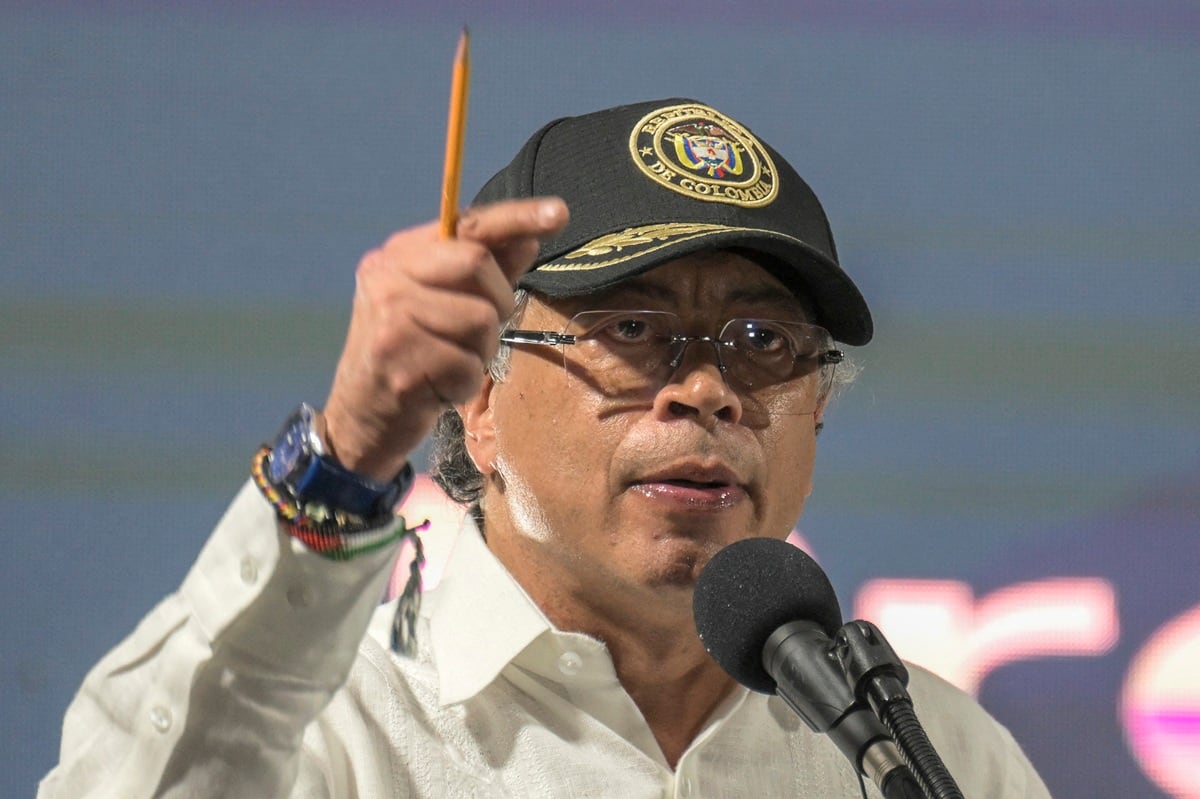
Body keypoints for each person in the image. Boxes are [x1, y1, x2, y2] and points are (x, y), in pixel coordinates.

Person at [40, 98, 1051, 797]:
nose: (705, 391)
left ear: (817, 408)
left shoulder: (929, 753)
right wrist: (345, 453)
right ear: (479, 400)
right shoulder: (343, 723)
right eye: (632, 332)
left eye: (761, 343)